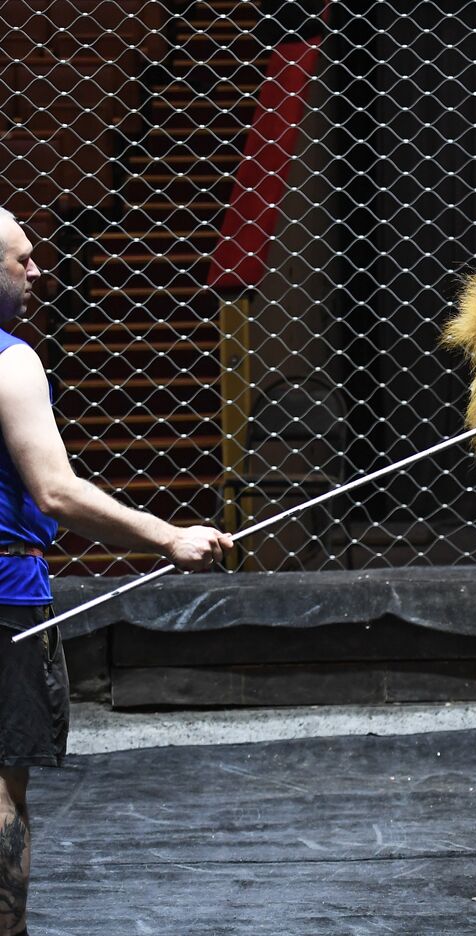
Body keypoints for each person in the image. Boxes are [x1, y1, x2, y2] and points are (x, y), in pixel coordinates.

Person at [0, 207, 233, 936]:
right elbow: (57, 492)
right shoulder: (11, 360)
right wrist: (169, 538)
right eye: (21, 260)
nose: (37, 273)